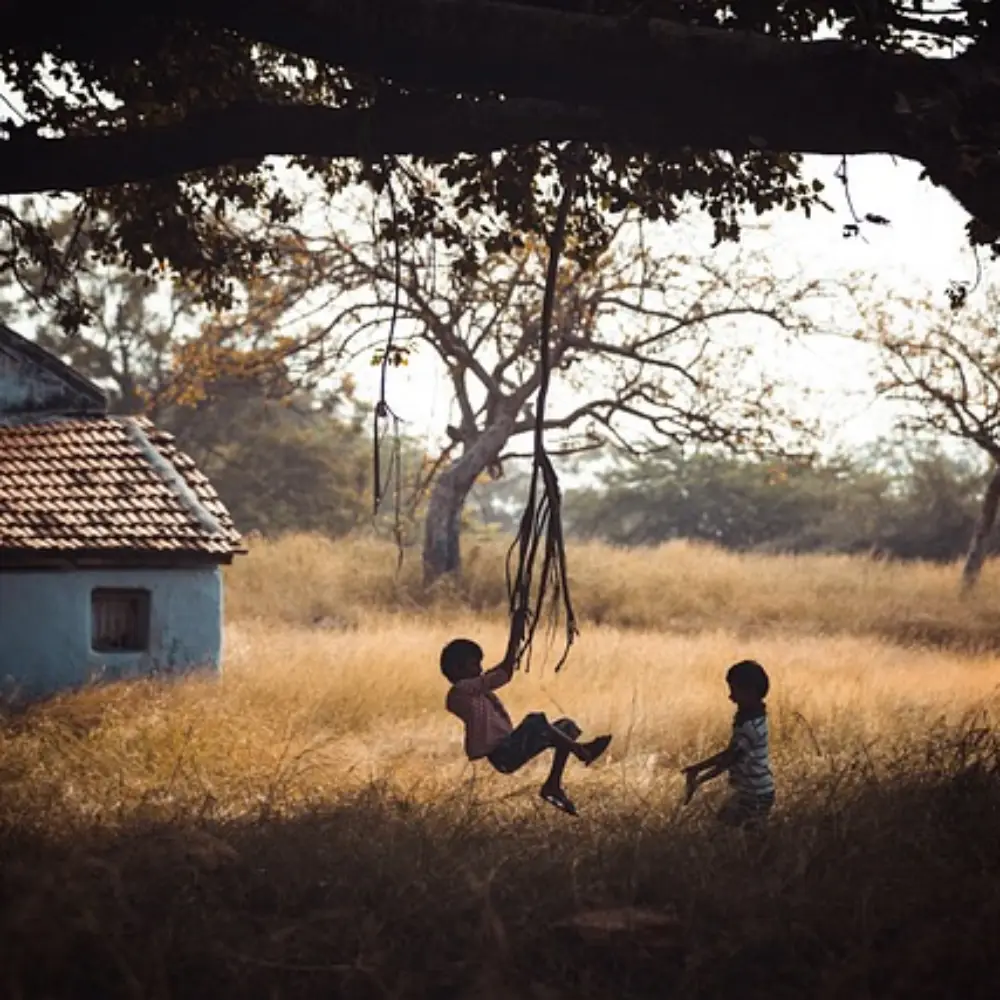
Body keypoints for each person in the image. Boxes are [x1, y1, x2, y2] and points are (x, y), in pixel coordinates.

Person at [441, 621, 612, 817]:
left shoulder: (476, 689)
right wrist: (515, 637)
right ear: (457, 669)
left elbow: (498, 672)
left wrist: (517, 634)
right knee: (535, 721)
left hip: (510, 745)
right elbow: (503, 674)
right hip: (502, 753)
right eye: (474, 665)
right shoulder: (460, 692)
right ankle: (582, 751)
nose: (480, 669)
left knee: (566, 726)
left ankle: (553, 784)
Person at [680, 659, 775, 827]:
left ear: (750, 692)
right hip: (754, 790)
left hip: (754, 794)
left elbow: (728, 759)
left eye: (735, 691)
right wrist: (698, 769)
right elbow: (730, 754)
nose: (731, 697)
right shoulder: (756, 717)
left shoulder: (749, 727)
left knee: (731, 830)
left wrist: (700, 776)